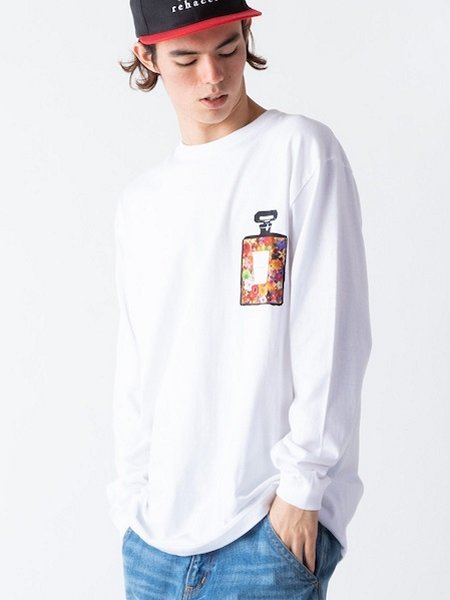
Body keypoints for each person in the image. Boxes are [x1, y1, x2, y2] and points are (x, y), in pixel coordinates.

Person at [106, 1, 372, 598]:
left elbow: (333, 334)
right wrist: (130, 501)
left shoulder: (300, 152)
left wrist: (302, 491)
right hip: (153, 542)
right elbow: (138, 365)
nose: (213, 76)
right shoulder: (142, 203)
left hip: (266, 533)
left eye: (227, 49)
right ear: (147, 57)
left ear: (246, 34)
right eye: (186, 59)